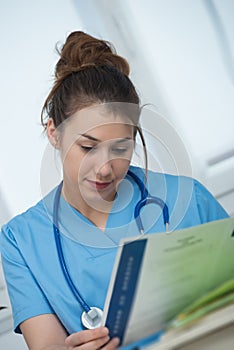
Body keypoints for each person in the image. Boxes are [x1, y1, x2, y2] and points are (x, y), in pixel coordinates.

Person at [0, 31, 228, 350]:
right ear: (54, 133)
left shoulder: (188, 200)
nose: (105, 168)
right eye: (88, 147)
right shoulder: (20, 241)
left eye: (120, 148)